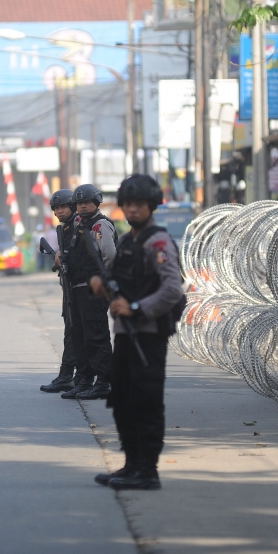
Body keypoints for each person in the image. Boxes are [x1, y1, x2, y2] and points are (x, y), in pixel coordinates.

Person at [90, 174, 184, 490]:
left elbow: (172, 289)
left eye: (139, 205)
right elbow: (121, 287)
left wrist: (137, 309)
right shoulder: (128, 240)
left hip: (148, 333)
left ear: (151, 206)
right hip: (125, 335)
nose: (132, 210)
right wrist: (102, 288)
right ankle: (131, 465)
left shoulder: (158, 242)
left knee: (146, 401)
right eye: (128, 204)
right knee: (122, 400)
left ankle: (147, 470)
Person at [60, 184, 117, 401]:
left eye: (86, 202)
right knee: (79, 337)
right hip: (76, 289)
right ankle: (83, 380)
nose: (82, 206)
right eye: (79, 203)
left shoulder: (99, 226)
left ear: (96, 202)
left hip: (93, 290)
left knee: (96, 337)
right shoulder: (77, 225)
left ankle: (103, 382)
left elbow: (110, 257)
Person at [40, 190, 78, 394]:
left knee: (83, 335)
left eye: (63, 206)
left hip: (84, 287)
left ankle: (88, 379)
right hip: (70, 286)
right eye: (55, 208)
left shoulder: (81, 226)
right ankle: (68, 376)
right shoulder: (65, 229)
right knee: (70, 332)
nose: (59, 211)